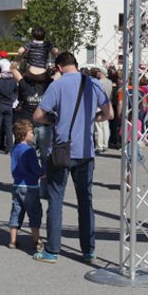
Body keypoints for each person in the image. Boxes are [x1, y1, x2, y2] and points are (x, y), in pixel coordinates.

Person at [32, 52, 112, 264]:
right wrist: (93, 119)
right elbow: (109, 114)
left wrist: (55, 120)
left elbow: (38, 115)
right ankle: (88, 250)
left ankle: (52, 250)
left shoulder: (57, 86)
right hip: (86, 151)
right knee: (85, 201)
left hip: (62, 150)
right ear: (76, 64)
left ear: (58, 68)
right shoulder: (94, 83)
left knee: (56, 199)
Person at [8, 119, 43, 252]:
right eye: (31, 132)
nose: (33, 134)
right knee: (34, 213)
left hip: (17, 185)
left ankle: (12, 240)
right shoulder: (30, 151)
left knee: (16, 211)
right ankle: (36, 240)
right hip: (30, 186)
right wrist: (43, 172)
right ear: (23, 134)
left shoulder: (15, 149)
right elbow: (35, 169)